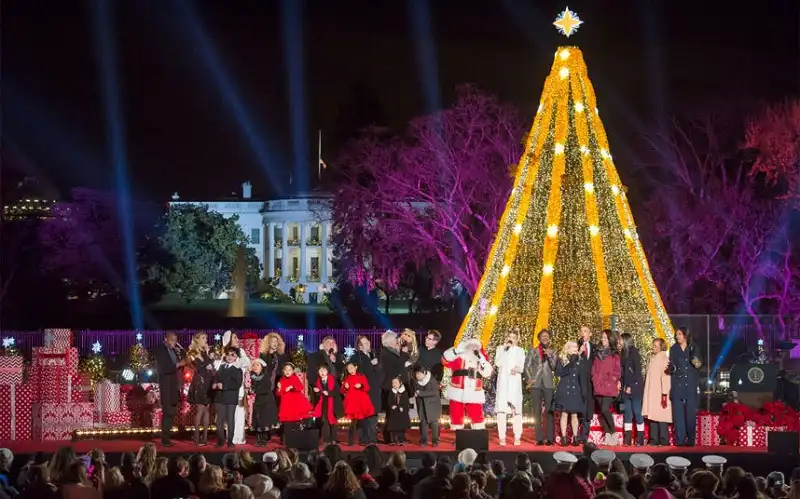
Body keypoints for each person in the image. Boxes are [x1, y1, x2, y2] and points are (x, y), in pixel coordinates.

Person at [442, 338, 493, 430]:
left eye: (475, 347)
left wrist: (483, 362)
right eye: (471, 346)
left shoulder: (480, 359)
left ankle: (478, 435)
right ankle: (457, 436)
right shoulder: (458, 356)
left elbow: (487, 373)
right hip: (457, 391)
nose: (473, 349)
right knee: (456, 415)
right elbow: (445, 361)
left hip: (474, 392)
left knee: (477, 415)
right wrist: (455, 351)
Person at [668, 327, 702, 447]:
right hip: (677, 383)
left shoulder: (694, 347)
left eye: (679, 334)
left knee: (690, 413)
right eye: (676, 334)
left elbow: (698, 366)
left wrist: (693, 357)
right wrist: (671, 368)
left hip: (690, 384)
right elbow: (672, 366)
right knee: (678, 414)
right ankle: (680, 440)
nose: (677, 336)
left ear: (685, 336)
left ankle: (691, 439)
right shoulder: (673, 349)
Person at [524, 329, 557, 445]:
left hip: (548, 384)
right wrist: (529, 379)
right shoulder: (533, 351)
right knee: (536, 412)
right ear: (539, 338)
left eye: (547, 336)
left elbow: (554, 367)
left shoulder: (552, 351)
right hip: (536, 384)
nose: (545, 337)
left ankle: (549, 438)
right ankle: (539, 438)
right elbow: (526, 366)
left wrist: (550, 356)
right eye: (543, 336)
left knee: (549, 412)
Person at [154, 331, 186, 447]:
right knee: (167, 412)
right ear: (166, 339)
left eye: (175, 340)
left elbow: (182, 360)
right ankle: (164, 438)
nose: (174, 342)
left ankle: (167, 436)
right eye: (172, 340)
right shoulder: (160, 350)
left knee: (172, 412)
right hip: (166, 386)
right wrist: (178, 364)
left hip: (174, 385)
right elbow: (164, 368)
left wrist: (180, 352)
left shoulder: (173, 350)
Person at [494, 330, 526, 446]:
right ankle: (502, 436)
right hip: (503, 382)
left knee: (516, 410)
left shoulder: (520, 350)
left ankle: (517, 436)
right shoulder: (500, 348)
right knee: (501, 410)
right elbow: (498, 363)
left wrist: (516, 369)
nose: (511, 339)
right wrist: (505, 350)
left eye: (514, 337)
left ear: (517, 339)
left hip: (514, 382)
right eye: (509, 336)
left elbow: (522, 366)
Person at [592, 329, 621, 446]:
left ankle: (614, 434)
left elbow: (617, 371)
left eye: (605, 337)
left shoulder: (614, 354)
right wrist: (594, 378)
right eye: (602, 337)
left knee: (605, 409)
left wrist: (612, 379)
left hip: (609, 386)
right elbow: (593, 369)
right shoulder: (597, 353)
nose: (603, 339)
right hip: (598, 385)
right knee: (602, 412)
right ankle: (608, 436)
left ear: (610, 339)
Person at [223, 330, 252, 445]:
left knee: (240, 412)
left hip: (239, 386)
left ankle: (239, 438)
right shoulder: (224, 353)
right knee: (229, 412)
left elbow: (247, 364)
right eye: (234, 337)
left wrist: (237, 363)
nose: (237, 339)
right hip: (227, 387)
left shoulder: (241, 351)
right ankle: (230, 437)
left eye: (237, 337)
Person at [352, 336, 382, 445]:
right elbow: (357, 371)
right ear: (359, 346)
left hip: (373, 390)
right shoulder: (356, 357)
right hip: (362, 391)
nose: (368, 344)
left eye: (368, 342)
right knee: (363, 416)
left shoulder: (372, 355)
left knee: (373, 416)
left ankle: (372, 438)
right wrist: (370, 363)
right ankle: (364, 439)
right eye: (365, 343)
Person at [187, 332, 216, 446]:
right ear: (197, 339)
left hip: (208, 382)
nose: (206, 340)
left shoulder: (206, 352)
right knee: (200, 410)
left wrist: (208, 355)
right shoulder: (193, 352)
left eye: (206, 338)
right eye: (203, 338)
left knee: (207, 410)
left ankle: (205, 438)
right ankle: (197, 438)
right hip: (200, 383)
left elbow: (210, 366)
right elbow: (200, 366)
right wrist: (209, 358)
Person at [379, 331, 408, 443]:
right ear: (390, 341)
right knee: (391, 413)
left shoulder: (391, 351)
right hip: (390, 386)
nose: (397, 340)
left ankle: (397, 436)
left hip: (396, 385)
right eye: (396, 338)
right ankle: (389, 437)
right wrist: (404, 354)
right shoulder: (386, 352)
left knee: (397, 413)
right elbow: (397, 366)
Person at [554, 340, 584, 446]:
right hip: (564, 390)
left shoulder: (579, 360)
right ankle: (564, 438)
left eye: (576, 347)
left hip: (575, 390)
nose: (576, 349)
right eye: (573, 347)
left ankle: (576, 437)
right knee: (564, 413)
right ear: (567, 348)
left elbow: (581, 376)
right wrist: (571, 362)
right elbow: (559, 373)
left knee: (574, 414)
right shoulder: (562, 359)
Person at [643, 338, 672, 446]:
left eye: (656, 345)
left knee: (662, 417)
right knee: (653, 417)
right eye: (653, 345)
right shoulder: (653, 358)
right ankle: (653, 439)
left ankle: (664, 439)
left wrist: (664, 393)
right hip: (653, 392)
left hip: (660, 393)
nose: (653, 347)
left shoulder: (664, 358)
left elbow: (665, 377)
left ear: (661, 346)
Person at [215, 346, 245, 448]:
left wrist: (225, 386)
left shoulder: (237, 370)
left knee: (230, 419)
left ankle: (230, 441)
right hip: (219, 397)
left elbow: (238, 384)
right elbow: (216, 377)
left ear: (236, 357)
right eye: (228, 354)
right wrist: (214, 384)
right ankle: (220, 441)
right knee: (219, 420)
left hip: (231, 398)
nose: (230, 357)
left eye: (233, 355)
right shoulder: (221, 367)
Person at [341, 361, 375, 446]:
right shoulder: (347, 378)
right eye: (348, 369)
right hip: (352, 404)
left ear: (356, 367)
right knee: (353, 424)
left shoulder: (361, 376)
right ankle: (350, 441)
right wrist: (345, 387)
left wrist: (361, 386)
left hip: (361, 403)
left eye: (351, 368)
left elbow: (367, 388)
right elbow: (342, 391)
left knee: (363, 423)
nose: (350, 370)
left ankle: (364, 440)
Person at [619, 332, 645, 446]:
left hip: (635, 388)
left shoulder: (634, 352)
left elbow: (637, 372)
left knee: (637, 412)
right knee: (628, 413)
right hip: (625, 388)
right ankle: (628, 439)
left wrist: (630, 386)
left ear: (625, 341)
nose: (618, 342)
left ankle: (640, 439)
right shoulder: (623, 353)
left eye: (620, 340)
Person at [259, 333, 287, 431]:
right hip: (267, 384)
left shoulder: (282, 355)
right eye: (272, 341)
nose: (275, 343)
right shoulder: (263, 355)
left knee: (278, 406)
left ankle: (279, 429)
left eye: (276, 342)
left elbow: (285, 370)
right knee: (267, 407)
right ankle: (268, 430)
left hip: (279, 383)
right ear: (268, 343)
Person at [276, 362, 313, 433]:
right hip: (286, 404)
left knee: (296, 420)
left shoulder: (295, 378)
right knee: (287, 422)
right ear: (283, 371)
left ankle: (297, 435)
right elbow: (279, 394)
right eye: (286, 370)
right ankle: (287, 438)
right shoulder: (282, 380)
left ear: (292, 371)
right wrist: (279, 388)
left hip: (295, 403)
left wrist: (292, 387)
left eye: (289, 370)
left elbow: (300, 387)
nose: (287, 371)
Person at [312, 364, 344, 445]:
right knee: (325, 422)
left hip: (333, 403)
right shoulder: (318, 381)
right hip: (324, 404)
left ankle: (334, 439)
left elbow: (338, 391)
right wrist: (317, 391)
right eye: (320, 370)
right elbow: (318, 395)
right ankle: (326, 440)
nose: (322, 372)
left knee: (333, 421)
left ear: (327, 371)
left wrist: (329, 393)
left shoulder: (333, 380)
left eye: (324, 370)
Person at [250, 358, 279, 446]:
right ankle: (259, 439)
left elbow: (266, 389)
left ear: (262, 367)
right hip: (258, 400)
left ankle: (264, 439)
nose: (255, 367)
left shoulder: (266, 376)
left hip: (267, 401)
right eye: (254, 365)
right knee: (258, 420)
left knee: (264, 420)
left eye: (258, 365)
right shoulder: (253, 377)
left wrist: (254, 391)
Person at [412, 365, 442, 447]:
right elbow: (416, 392)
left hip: (433, 405)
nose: (417, 375)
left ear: (424, 373)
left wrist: (420, 393)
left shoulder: (432, 380)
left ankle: (435, 441)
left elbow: (434, 392)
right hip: (422, 405)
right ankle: (423, 441)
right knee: (423, 423)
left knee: (434, 424)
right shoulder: (416, 381)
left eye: (419, 374)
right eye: (416, 374)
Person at [578, 325, 597, 443]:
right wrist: (579, 352)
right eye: (581, 331)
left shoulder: (595, 347)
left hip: (591, 382)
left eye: (585, 331)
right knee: (579, 407)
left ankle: (585, 436)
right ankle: (576, 435)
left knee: (589, 407)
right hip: (578, 381)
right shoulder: (575, 345)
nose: (583, 333)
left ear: (590, 334)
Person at [386, 376, 410, 446]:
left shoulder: (404, 392)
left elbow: (406, 403)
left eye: (396, 382)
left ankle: (401, 440)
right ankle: (393, 440)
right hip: (393, 412)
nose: (394, 384)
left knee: (401, 427)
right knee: (392, 427)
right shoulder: (391, 392)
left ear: (400, 383)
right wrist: (391, 406)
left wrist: (402, 407)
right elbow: (389, 402)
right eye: (393, 383)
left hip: (402, 412)